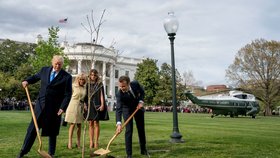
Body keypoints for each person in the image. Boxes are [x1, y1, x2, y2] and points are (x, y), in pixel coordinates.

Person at [17, 55, 72, 158]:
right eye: (56, 64)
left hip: (55, 108)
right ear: (52, 62)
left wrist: (62, 107)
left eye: (59, 64)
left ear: (62, 65)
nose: (57, 66)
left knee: (52, 131)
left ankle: (51, 153)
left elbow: (68, 94)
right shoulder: (44, 70)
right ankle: (23, 151)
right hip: (40, 105)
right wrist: (27, 81)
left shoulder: (66, 77)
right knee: (32, 129)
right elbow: (35, 77)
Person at [115, 76, 149, 158]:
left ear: (128, 84)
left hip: (138, 108)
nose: (121, 88)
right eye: (120, 86)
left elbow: (142, 92)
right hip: (127, 110)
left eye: (123, 86)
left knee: (141, 129)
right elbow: (118, 109)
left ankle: (143, 149)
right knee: (129, 130)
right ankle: (129, 154)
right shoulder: (119, 94)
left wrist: (141, 101)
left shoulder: (135, 84)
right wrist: (119, 123)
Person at [84, 69, 106, 150]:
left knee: (96, 123)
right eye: (92, 75)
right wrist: (85, 104)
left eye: (95, 75)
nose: (93, 76)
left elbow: (101, 95)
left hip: (97, 104)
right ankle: (91, 141)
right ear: (89, 75)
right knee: (90, 123)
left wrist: (102, 104)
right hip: (89, 104)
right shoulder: (87, 84)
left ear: (97, 76)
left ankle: (96, 141)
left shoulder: (99, 84)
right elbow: (85, 95)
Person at [65, 73, 87, 149]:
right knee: (72, 124)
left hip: (80, 107)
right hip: (73, 105)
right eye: (80, 79)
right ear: (77, 79)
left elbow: (84, 98)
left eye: (83, 79)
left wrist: (85, 105)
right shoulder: (73, 86)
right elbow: (67, 96)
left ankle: (78, 143)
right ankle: (69, 143)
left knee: (79, 125)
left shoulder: (84, 88)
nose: (81, 81)